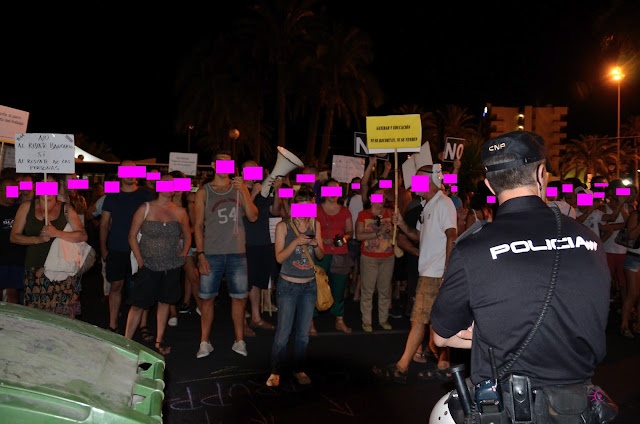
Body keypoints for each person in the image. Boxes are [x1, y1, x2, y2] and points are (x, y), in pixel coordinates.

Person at [430, 131, 612, 421]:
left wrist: (490, 333)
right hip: (577, 407)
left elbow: (440, 337)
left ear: (490, 185)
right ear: (541, 174)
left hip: (508, 409)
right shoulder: (589, 239)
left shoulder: (473, 249)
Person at [373, 164, 457, 382]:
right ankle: (442, 364)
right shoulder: (427, 205)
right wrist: (401, 224)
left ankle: (403, 367)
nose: (413, 183)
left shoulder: (443, 203)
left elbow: (452, 235)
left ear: (431, 181)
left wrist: (447, 271)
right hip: (428, 271)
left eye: (418, 179)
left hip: (435, 273)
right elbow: (418, 236)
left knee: (419, 320)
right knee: (429, 320)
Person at [194, 149, 258, 359]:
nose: (224, 167)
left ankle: (239, 340)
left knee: (239, 298)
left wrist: (245, 191)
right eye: (220, 162)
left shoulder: (239, 188)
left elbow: (253, 216)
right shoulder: (204, 192)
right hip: (211, 253)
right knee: (207, 299)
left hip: (237, 253)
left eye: (228, 163)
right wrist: (200, 254)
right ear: (213, 165)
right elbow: (198, 225)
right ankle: (204, 341)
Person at [125, 173, 191, 355]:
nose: (170, 186)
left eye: (173, 183)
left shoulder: (180, 211)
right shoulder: (145, 208)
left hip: (171, 266)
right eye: (166, 182)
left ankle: (159, 341)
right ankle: (126, 341)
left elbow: (187, 235)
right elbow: (132, 236)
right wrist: (140, 260)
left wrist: (183, 255)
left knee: (164, 302)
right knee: (138, 304)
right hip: (148, 265)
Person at [266, 187, 324, 387]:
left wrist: (316, 245)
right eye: (303, 207)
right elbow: (279, 258)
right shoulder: (284, 226)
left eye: (310, 207)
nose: (307, 211)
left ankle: (299, 369)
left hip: (309, 286)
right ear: (294, 207)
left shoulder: (315, 224)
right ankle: (275, 371)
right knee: (283, 334)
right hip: (288, 286)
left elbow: (321, 256)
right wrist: (296, 242)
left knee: (303, 335)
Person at [10, 174, 88, 317]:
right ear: (37, 186)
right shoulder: (26, 207)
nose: (48, 186)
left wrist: (57, 233)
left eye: (52, 183)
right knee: (37, 315)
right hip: (35, 268)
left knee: (62, 314)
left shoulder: (66, 208)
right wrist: (37, 239)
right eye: (44, 183)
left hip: (61, 269)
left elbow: (82, 235)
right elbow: (14, 236)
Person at [100, 160, 154, 333]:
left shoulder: (147, 195)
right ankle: (113, 324)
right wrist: (103, 249)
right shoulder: (112, 196)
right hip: (116, 248)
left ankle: (143, 325)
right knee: (116, 286)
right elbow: (104, 224)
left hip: (140, 249)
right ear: (119, 173)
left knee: (141, 288)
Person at [242, 159, 281, 334]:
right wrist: (252, 194)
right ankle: (242, 322)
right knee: (244, 285)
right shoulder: (239, 190)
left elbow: (276, 211)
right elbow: (240, 214)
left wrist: (277, 191)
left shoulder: (264, 190)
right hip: (245, 243)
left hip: (263, 242)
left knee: (257, 283)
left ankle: (256, 318)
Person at [312, 178, 354, 334]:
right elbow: (303, 227)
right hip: (320, 254)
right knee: (315, 287)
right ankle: (310, 321)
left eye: (336, 189)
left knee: (339, 288)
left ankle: (339, 319)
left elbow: (350, 232)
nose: (333, 192)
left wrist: (343, 239)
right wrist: (321, 239)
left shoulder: (345, 210)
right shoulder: (314, 208)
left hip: (340, 254)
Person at [355, 183, 395, 332]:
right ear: (371, 198)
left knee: (384, 290)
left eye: (383, 196)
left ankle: (383, 319)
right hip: (369, 257)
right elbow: (359, 236)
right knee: (368, 290)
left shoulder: (390, 213)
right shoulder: (363, 215)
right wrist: (379, 232)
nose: (382, 198)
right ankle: (367, 321)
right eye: (378, 196)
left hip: (387, 256)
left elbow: (394, 236)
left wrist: (389, 230)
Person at [0, 177, 26, 304]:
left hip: (17, 260)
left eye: (15, 190)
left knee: (13, 295)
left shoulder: (21, 209)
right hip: (1, 260)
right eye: (9, 190)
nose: (13, 193)